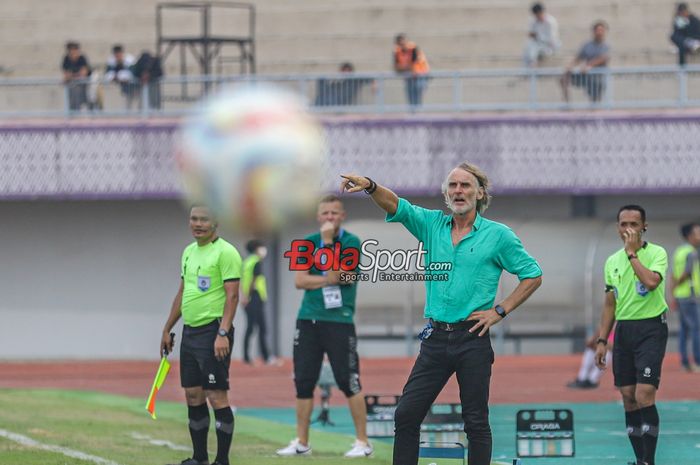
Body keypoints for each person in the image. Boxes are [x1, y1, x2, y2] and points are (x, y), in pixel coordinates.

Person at [340, 163, 543, 465]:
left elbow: (532, 275)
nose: (458, 191)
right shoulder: (432, 225)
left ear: (480, 192)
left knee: (475, 421)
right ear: (446, 194)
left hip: (473, 337)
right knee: (406, 413)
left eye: (465, 185)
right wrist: (370, 186)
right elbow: (399, 206)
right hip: (435, 337)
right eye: (453, 186)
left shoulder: (499, 235)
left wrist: (500, 311)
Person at [276, 194, 373, 458]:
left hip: (339, 321)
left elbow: (338, 275)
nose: (329, 217)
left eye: (334, 213)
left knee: (348, 380)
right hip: (308, 319)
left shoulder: (351, 242)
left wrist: (329, 245)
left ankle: (363, 443)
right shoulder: (307, 242)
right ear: (318, 217)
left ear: (342, 216)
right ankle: (302, 442)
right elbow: (300, 281)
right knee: (304, 381)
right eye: (325, 213)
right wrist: (328, 279)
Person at [160, 205, 242, 465]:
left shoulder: (226, 252)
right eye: (194, 219)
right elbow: (183, 292)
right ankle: (199, 458)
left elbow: (233, 296)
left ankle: (222, 461)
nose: (197, 224)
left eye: (203, 220)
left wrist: (223, 332)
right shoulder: (189, 252)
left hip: (213, 331)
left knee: (216, 396)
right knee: (193, 395)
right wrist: (167, 328)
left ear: (216, 222)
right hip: (190, 333)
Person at [595, 205, 668, 465]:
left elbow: (650, 282)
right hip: (624, 330)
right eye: (623, 224)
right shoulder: (611, 261)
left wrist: (632, 254)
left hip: (651, 328)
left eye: (634, 224)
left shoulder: (657, 253)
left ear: (644, 226)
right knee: (627, 395)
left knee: (644, 393)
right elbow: (609, 304)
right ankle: (639, 460)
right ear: (617, 227)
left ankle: (650, 461)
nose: (628, 230)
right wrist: (602, 340)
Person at [670, 222, 700, 372]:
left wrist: (673, 293)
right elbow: (686, 273)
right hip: (690, 295)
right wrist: (677, 286)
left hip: (681, 296)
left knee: (684, 329)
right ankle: (697, 361)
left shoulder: (679, 252)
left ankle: (684, 362)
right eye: (697, 233)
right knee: (696, 329)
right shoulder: (692, 252)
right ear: (689, 236)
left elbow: (672, 275)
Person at [241, 239, 276, 365]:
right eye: (261, 247)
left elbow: (244, 280)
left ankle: (247, 357)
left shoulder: (246, 262)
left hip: (250, 298)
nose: (263, 250)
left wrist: (244, 296)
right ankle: (266, 357)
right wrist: (248, 296)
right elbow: (253, 280)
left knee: (252, 328)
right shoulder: (256, 262)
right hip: (255, 297)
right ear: (256, 249)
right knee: (260, 327)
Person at [560, 21, 610, 103]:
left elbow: (603, 58)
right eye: (597, 30)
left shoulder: (606, 45)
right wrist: (570, 65)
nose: (599, 32)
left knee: (595, 99)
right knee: (564, 78)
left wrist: (589, 65)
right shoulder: (587, 45)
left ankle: (595, 110)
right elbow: (579, 57)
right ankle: (567, 103)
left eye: (601, 30)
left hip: (598, 77)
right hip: (586, 75)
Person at [393, 33, 430, 107]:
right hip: (409, 77)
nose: (402, 45)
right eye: (400, 43)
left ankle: (417, 112)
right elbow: (396, 67)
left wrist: (403, 67)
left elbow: (413, 65)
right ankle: (413, 113)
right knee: (411, 98)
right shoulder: (397, 51)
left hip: (420, 75)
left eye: (403, 42)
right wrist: (404, 67)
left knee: (417, 95)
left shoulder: (413, 48)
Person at [523, 3, 561, 67]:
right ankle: (531, 65)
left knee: (537, 49)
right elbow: (531, 35)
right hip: (538, 44)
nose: (539, 16)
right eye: (537, 15)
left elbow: (551, 39)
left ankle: (534, 63)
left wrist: (538, 36)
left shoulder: (551, 21)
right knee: (529, 46)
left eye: (540, 14)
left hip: (550, 44)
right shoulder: (533, 21)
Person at [104, 44, 137, 109]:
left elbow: (132, 74)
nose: (118, 56)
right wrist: (116, 77)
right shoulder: (111, 62)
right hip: (116, 90)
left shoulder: (129, 60)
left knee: (130, 105)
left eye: (119, 54)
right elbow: (107, 75)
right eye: (116, 55)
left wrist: (121, 77)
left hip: (131, 88)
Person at [61, 41, 91, 111]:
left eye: (74, 50)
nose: (72, 53)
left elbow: (84, 73)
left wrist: (72, 76)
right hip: (72, 87)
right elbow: (66, 75)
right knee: (73, 103)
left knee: (83, 102)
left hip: (85, 86)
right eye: (70, 50)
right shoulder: (66, 59)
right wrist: (76, 76)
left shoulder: (82, 58)